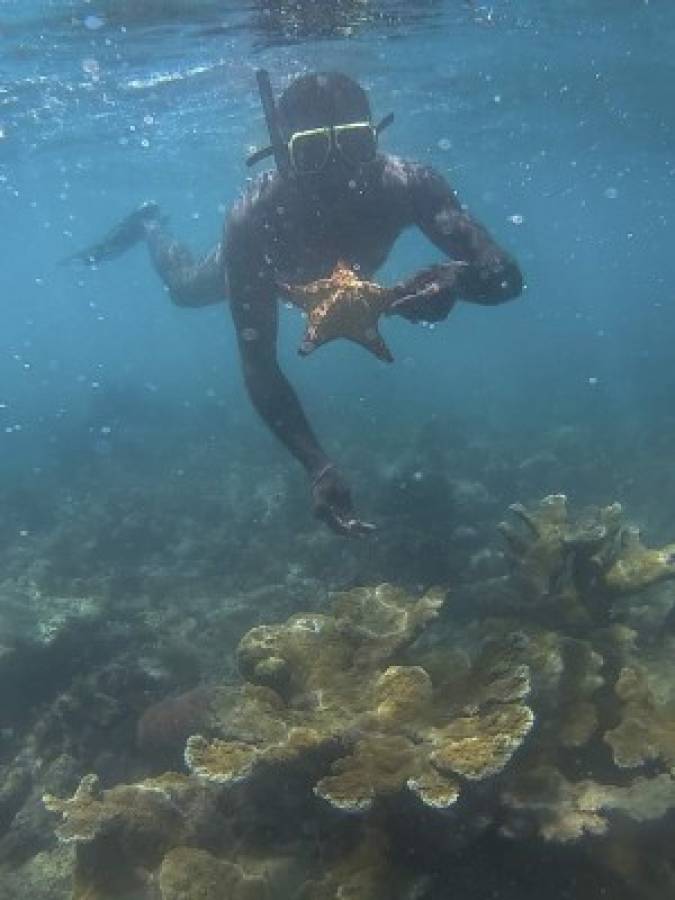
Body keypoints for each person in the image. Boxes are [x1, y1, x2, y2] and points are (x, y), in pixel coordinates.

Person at [69, 70, 523, 535]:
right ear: (281, 151)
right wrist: (317, 466)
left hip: (309, 265)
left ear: (375, 138)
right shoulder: (253, 219)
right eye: (311, 151)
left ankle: (150, 224)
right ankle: (148, 225)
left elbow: (505, 276)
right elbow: (258, 363)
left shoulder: (410, 184)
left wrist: (458, 282)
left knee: (186, 294)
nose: (338, 171)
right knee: (186, 290)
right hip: (264, 267)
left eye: (352, 145)